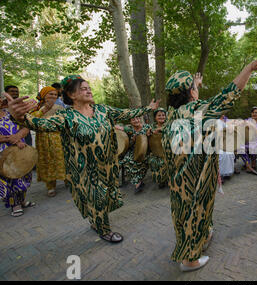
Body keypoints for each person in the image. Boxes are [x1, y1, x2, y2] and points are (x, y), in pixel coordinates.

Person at [5, 75, 160, 243]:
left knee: (104, 198)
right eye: (83, 88)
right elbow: (40, 125)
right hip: (84, 171)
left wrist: (149, 108)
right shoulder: (66, 117)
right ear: (72, 95)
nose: (89, 90)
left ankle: (96, 222)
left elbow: (127, 113)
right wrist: (20, 117)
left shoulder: (103, 110)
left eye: (89, 87)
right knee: (96, 198)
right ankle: (104, 230)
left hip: (107, 167)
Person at [162, 46, 257, 271]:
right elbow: (230, 93)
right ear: (190, 92)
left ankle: (199, 239)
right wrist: (250, 67)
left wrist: (195, 87)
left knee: (182, 212)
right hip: (196, 175)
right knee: (197, 209)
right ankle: (190, 260)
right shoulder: (198, 111)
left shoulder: (171, 114)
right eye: (194, 87)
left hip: (177, 178)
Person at [30, 86, 66, 197]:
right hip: (43, 138)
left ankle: (67, 180)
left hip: (57, 137)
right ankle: (51, 186)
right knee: (47, 160)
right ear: (43, 95)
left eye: (55, 95)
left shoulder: (59, 107)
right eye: (50, 94)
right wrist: (43, 110)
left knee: (61, 159)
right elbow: (31, 121)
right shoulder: (35, 108)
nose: (53, 97)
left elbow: (65, 121)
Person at [0, 96, 33, 217]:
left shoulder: (10, 113)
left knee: (24, 174)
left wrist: (18, 136)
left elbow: (26, 126)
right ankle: (15, 205)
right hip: (4, 153)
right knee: (11, 177)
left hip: (20, 148)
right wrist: (12, 139)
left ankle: (22, 200)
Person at [116, 116, 151, 193]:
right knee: (127, 160)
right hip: (133, 150)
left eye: (138, 118)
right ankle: (138, 182)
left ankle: (138, 183)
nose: (136, 120)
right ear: (130, 122)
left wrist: (149, 135)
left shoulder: (147, 127)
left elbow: (152, 137)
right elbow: (129, 144)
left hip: (146, 150)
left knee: (141, 160)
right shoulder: (129, 129)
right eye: (133, 119)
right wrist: (133, 140)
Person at [239, 106, 257, 175]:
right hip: (247, 140)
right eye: (253, 112)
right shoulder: (248, 120)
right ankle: (248, 165)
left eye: (256, 112)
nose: (254, 114)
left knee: (254, 146)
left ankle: (252, 162)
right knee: (240, 147)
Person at [148, 108, 169, 189]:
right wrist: (148, 133)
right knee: (152, 160)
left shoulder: (168, 124)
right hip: (156, 151)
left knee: (165, 162)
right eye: (159, 115)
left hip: (167, 151)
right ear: (155, 117)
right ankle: (161, 180)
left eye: (163, 115)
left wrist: (162, 129)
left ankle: (169, 179)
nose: (161, 117)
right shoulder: (151, 126)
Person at [218, 115, 235, 182]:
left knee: (229, 153)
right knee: (222, 155)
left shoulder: (226, 120)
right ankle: (220, 175)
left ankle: (227, 173)